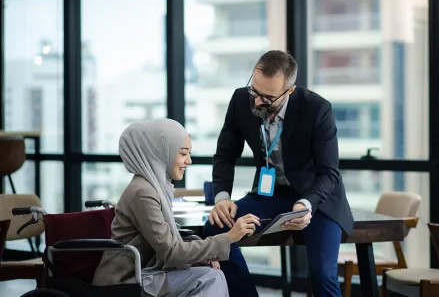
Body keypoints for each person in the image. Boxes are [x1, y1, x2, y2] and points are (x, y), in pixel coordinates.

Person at [203, 50, 354, 297]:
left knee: (322, 276)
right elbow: (225, 155)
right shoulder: (241, 99)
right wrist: (222, 198)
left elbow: (329, 173)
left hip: (317, 200)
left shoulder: (317, 109)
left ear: (289, 91)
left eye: (268, 97)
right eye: (255, 91)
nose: (258, 101)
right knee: (215, 228)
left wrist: (306, 204)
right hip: (270, 194)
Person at [92, 119, 261, 297]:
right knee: (210, 278)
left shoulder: (156, 187)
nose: (189, 160)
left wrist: (200, 256)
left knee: (212, 276)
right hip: (125, 280)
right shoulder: (143, 192)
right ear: (160, 153)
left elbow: (167, 245)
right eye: (183, 154)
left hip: (145, 272)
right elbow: (171, 252)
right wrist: (230, 237)